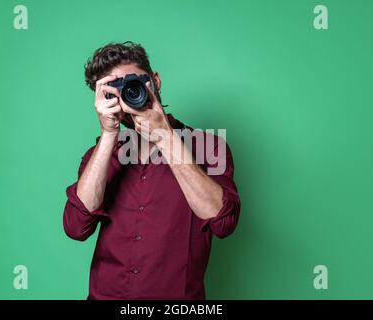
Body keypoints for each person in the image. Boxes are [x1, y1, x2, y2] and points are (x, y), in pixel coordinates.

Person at [63, 41, 241, 300]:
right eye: (115, 92)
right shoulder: (100, 155)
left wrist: (165, 137)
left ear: (155, 81)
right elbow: (76, 227)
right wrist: (109, 134)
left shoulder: (209, 147)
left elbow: (223, 222)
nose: (128, 96)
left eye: (132, 83)